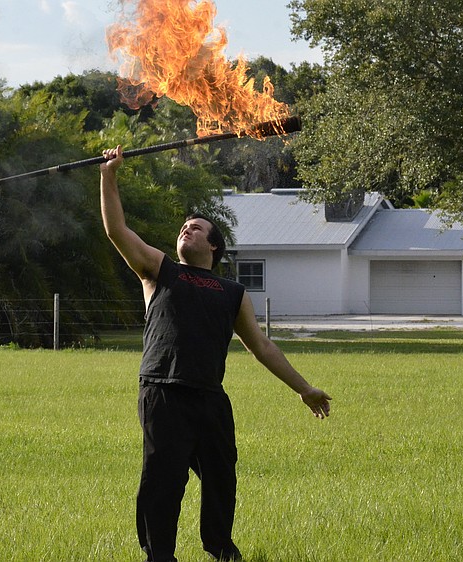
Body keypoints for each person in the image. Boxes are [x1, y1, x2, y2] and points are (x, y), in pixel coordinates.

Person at [99, 145, 332, 562]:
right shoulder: (159, 270)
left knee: (222, 478)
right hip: (164, 391)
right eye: (184, 226)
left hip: (209, 397)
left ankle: (221, 548)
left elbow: (261, 347)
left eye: (197, 227)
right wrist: (108, 175)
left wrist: (304, 388)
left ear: (214, 247)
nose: (186, 230)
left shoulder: (233, 292)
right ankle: (159, 556)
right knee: (162, 479)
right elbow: (117, 231)